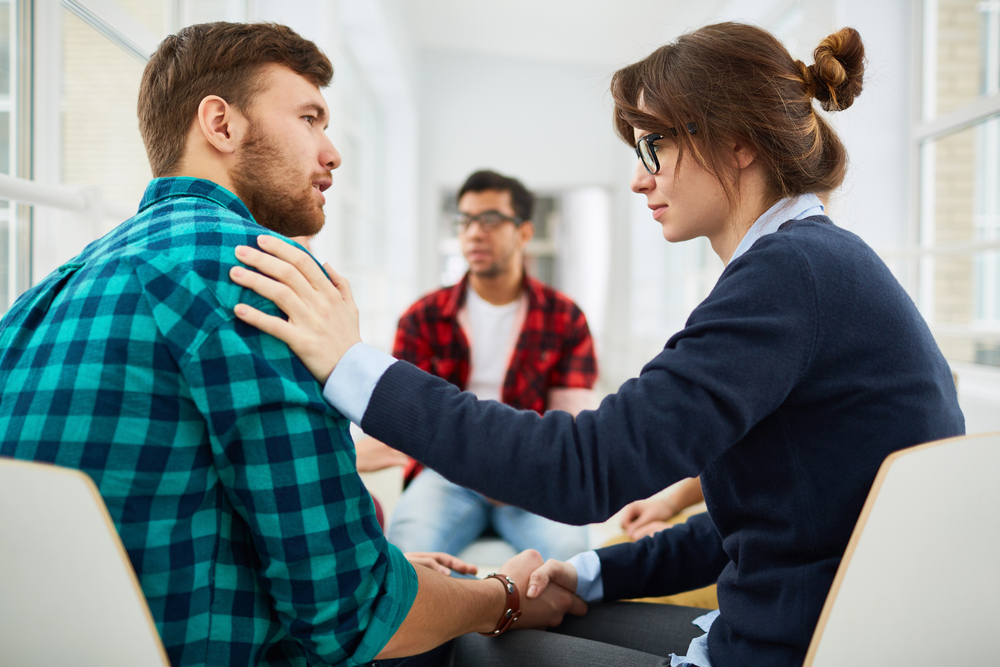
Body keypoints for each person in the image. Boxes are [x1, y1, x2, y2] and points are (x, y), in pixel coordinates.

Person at [230, 23, 965, 667]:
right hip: (795, 627)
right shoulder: (818, 264)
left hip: (784, 644)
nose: (642, 177)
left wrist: (351, 365)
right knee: (533, 602)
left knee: (459, 639)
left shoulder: (790, 273)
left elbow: (586, 466)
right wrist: (584, 571)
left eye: (656, 144)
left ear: (737, 140)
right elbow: (761, 523)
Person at [0, 22, 584, 667]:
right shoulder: (260, 273)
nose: (332, 151)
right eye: (310, 118)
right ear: (220, 125)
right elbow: (355, 619)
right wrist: (500, 596)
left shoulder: (44, 295)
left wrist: (372, 566)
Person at [359, 169, 596, 562]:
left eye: (489, 220)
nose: (473, 232)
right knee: (405, 555)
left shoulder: (565, 317)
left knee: (572, 558)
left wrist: (516, 468)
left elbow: (568, 423)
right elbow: (409, 415)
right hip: (445, 472)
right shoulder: (423, 317)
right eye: (465, 220)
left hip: (531, 473)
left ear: (523, 232)